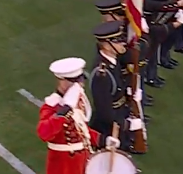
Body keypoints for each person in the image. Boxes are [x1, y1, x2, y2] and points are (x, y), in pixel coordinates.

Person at [37, 57, 106, 174]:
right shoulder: (52, 105)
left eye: (80, 80)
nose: (80, 85)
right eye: (75, 81)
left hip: (82, 160)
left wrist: (101, 139)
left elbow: (81, 129)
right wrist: (63, 112)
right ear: (62, 81)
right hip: (63, 165)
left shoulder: (77, 100)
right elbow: (43, 133)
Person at [88, 21, 139, 150]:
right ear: (106, 45)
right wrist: (126, 124)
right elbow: (104, 112)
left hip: (118, 117)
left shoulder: (113, 60)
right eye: (118, 40)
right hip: (107, 129)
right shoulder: (102, 74)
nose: (123, 43)